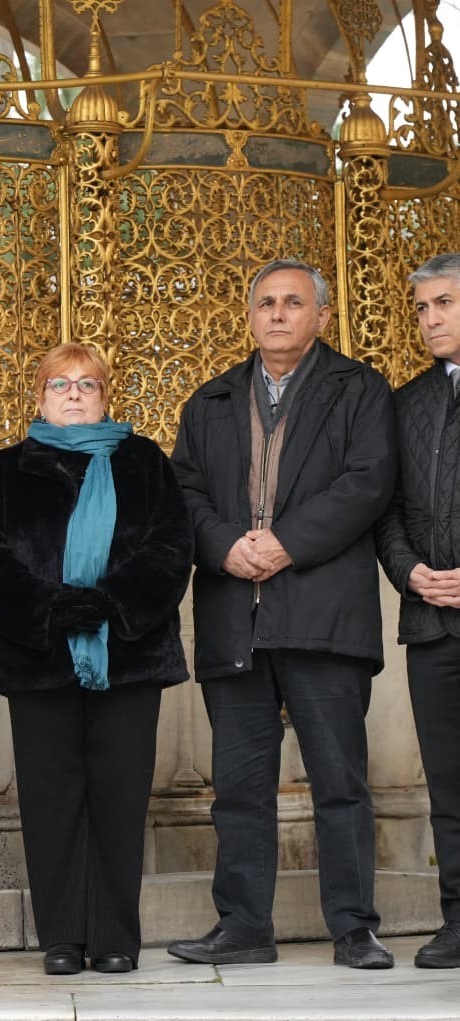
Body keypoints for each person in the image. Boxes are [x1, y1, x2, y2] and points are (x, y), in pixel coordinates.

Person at [168, 259, 397, 969]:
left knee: (338, 781)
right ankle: (242, 926)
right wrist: (223, 546)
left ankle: (353, 927)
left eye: (291, 302)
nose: (275, 314)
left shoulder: (358, 390)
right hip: (235, 612)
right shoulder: (207, 401)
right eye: (264, 302)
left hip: (322, 615)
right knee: (237, 789)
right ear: (249, 315)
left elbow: (367, 482)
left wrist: (285, 543)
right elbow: (184, 491)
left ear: (320, 316)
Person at [0, 342, 192, 975]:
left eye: (86, 384)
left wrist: (110, 604)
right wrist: (48, 610)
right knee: (51, 800)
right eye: (58, 384)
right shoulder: (6, 471)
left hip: (129, 656)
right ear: (38, 397)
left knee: (119, 798)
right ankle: (61, 937)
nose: (72, 393)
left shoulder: (143, 462)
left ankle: (116, 938)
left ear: (105, 396)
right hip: (39, 659)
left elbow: (171, 546)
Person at [374, 252, 460, 968]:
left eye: (444, 303)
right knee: (449, 779)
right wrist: (410, 572)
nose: (430, 319)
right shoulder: (407, 402)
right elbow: (389, 511)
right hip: (431, 621)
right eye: (422, 308)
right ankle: (458, 920)